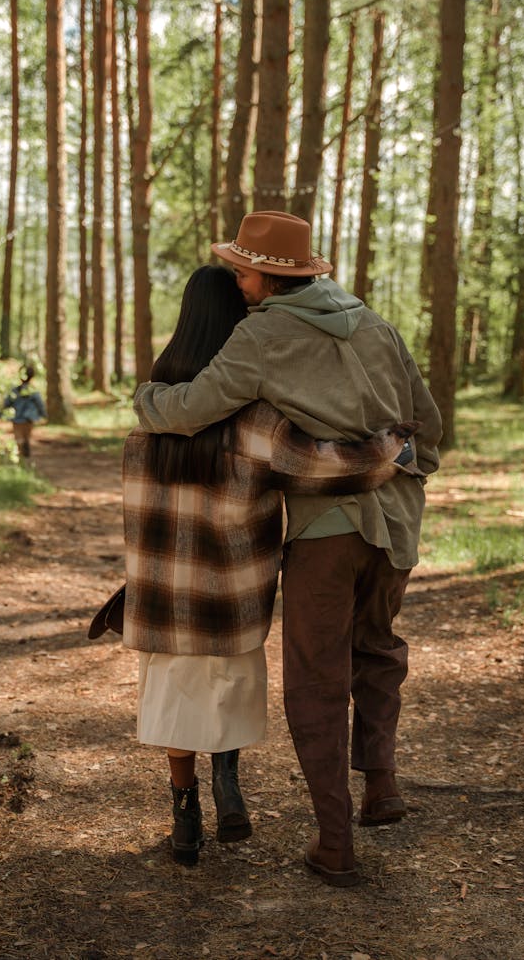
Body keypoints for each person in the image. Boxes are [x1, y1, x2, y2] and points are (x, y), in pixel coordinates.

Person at [133, 212, 442, 886]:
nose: (238, 282)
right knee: (380, 646)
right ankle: (381, 783)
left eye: (244, 270)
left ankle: (335, 843)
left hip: (327, 526)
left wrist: (146, 400)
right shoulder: (376, 324)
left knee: (315, 677)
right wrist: (410, 468)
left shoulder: (263, 334)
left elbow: (194, 407)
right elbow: (430, 419)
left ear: (269, 279)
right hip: (399, 519)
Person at [0, 364, 46, 460]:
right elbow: (40, 403)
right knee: (26, 436)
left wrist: (1, 413)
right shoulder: (33, 391)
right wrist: (43, 414)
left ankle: (21, 454)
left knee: (18, 437)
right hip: (29, 418)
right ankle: (25, 452)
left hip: (17, 418)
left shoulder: (15, 391)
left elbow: (7, 402)